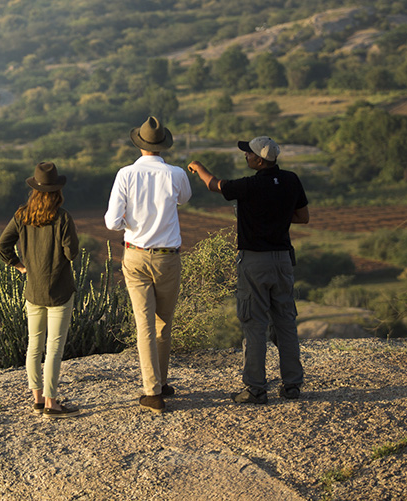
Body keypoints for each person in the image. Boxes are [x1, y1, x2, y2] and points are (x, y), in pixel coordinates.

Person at [188, 135, 309, 405]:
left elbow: (214, 185)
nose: (246, 156)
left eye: (249, 154)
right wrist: (276, 214)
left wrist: (198, 167)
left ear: (259, 160)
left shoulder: (249, 186)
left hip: (255, 262)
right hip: (283, 261)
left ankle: (255, 388)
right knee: (286, 322)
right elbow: (303, 217)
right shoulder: (291, 180)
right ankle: (292, 385)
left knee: (254, 325)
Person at [104, 116, 192, 414]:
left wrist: (132, 221)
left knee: (144, 323)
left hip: (136, 254)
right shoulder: (176, 173)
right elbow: (185, 198)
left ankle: (152, 391)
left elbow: (112, 222)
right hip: (169, 256)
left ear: (139, 144)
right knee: (164, 321)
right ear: (163, 144)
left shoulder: (125, 174)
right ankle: (162, 381)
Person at [0, 161, 81, 419]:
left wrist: (21, 267)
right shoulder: (63, 217)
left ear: (34, 189)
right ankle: (52, 404)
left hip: (33, 291)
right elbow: (71, 252)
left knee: (34, 346)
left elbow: (2, 245)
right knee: (54, 348)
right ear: (57, 191)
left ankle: (37, 400)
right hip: (59, 291)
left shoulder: (22, 215)